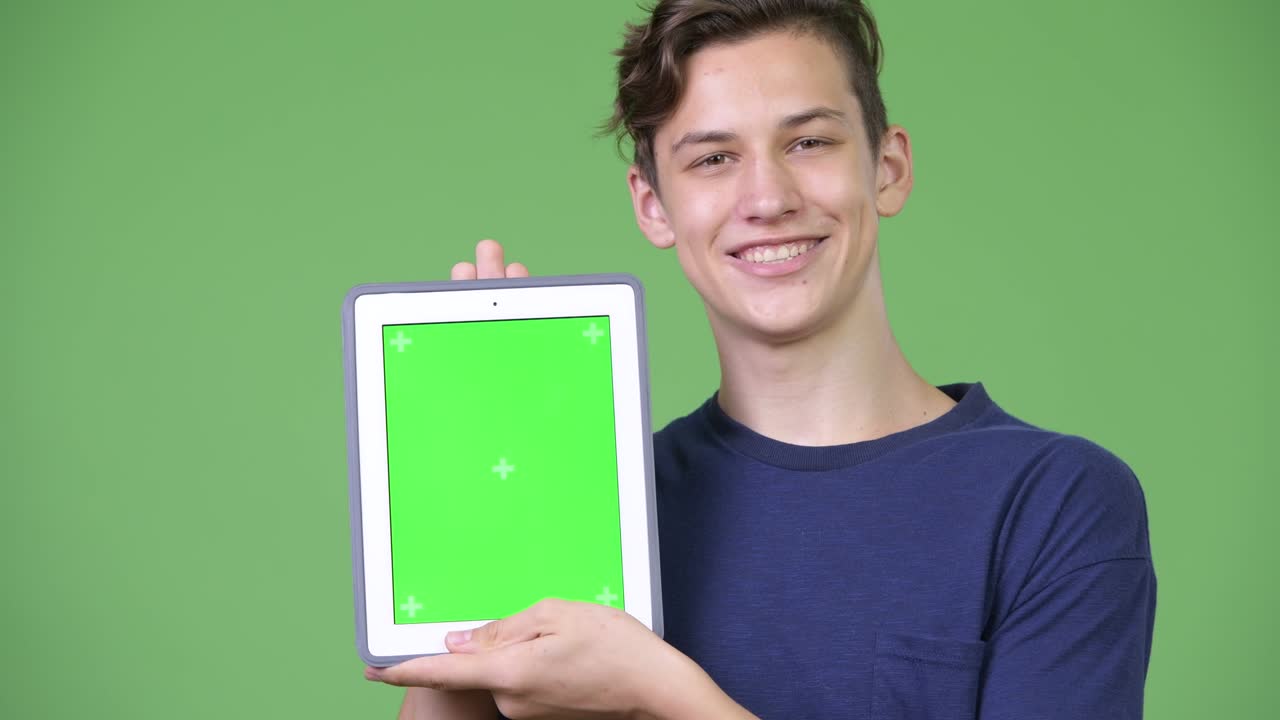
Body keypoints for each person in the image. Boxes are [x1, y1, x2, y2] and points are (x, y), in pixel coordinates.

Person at [364, 1, 1157, 717]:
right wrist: (476, 515)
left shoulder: (1055, 501)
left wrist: (660, 694)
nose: (769, 198)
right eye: (713, 158)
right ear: (652, 205)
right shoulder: (600, 515)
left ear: (888, 168)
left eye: (808, 142)